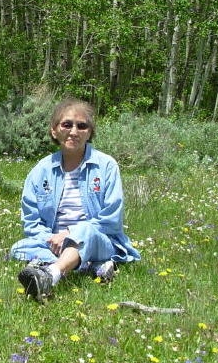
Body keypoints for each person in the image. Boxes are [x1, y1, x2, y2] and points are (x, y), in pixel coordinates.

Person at [11, 98, 140, 302]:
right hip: (52, 241)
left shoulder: (106, 166)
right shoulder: (40, 170)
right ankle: (94, 266)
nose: (73, 131)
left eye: (81, 126)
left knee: (85, 233)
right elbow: (31, 222)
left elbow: (111, 219)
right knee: (18, 248)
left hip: (97, 238)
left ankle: (51, 274)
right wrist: (53, 239)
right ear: (54, 130)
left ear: (89, 132)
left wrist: (70, 234)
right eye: (66, 124)